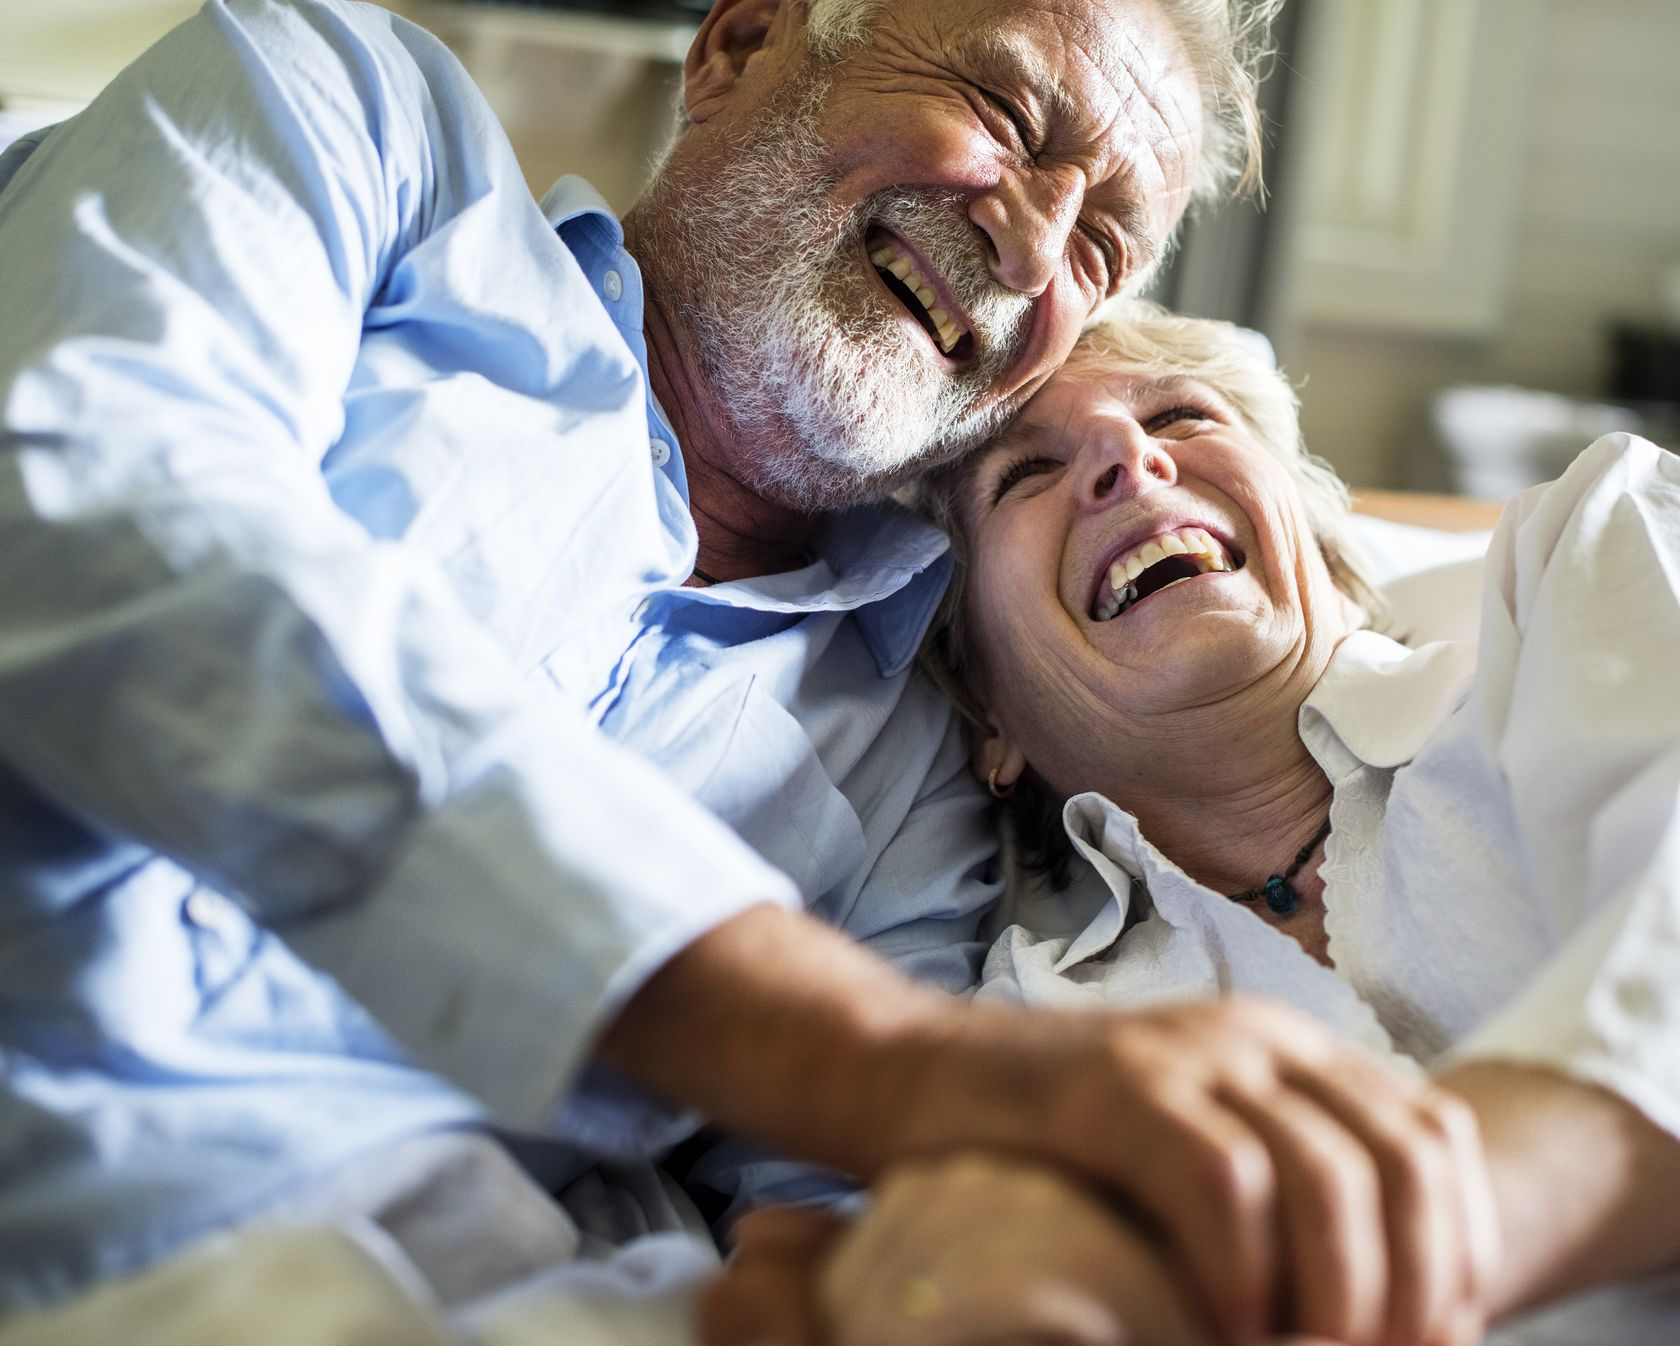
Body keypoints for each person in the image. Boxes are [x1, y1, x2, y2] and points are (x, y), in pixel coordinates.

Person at [0, 1, 1499, 1341]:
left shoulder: (914, 746)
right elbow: (96, 509)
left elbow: (839, 1220)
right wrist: (864, 1057)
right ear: (739, 44)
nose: (1035, 247)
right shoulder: (353, 117)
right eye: (1009, 116)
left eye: (1099, 246)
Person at [710, 300, 1680, 1346]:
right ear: (988, 713)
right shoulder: (1038, 1034)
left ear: (1330, 558)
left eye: (1182, 417)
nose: (1129, 460)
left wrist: (1366, 1244)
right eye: (1026, 473)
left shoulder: (1589, 559)